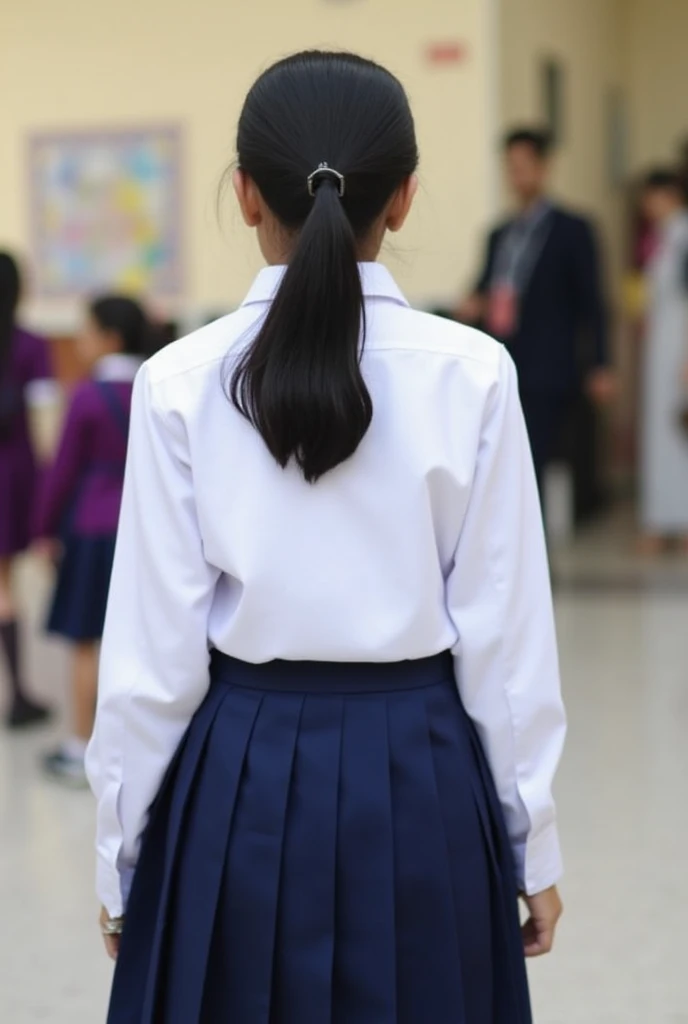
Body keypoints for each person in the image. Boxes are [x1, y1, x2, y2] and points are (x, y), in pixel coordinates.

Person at [88, 52, 566, 1023]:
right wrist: (533, 846)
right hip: (421, 771)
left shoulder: (177, 382)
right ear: (404, 199)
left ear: (245, 192)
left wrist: (121, 855)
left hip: (237, 781)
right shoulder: (472, 372)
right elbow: (504, 647)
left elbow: (151, 662)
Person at [458, 128, 615, 497]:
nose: (516, 176)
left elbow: (593, 301)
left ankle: (537, 551)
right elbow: (485, 286)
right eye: (510, 167)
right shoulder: (499, 234)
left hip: (548, 364)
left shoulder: (573, 230)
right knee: (502, 463)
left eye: (524, 166)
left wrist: (601, 364)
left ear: (544, 168)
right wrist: (473, 304)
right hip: (502, 357)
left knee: (535, 461)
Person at [35, 297, 151, 784]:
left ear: (110, 338)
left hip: (90, 527)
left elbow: (63, 471)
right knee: (142, 642)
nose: (80, 341)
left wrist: (43, 529)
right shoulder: (155, 386)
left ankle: (82, 745)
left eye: (88, 331)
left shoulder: (86, 395)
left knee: (86, 640)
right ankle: (136, 751)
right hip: (143, 527)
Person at [0, 251, 53, 728]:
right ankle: (17, 695)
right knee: (5, 586)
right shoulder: (31, 345)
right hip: (12, 475)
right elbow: (43, 422)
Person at [638, 169, 688, 551]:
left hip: (680, 351)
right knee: (662, 436)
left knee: (679, 436)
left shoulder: (683, 235)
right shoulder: (665, 237)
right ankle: (663, 521)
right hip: (662, 349)